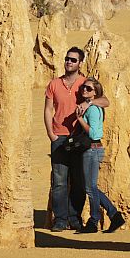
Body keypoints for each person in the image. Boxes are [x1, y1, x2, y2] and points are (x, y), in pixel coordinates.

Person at [44, 47, 109, 232]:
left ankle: (75, 218)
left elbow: (105, 101)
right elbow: (48, 109)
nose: (69, 62)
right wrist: (51, 133)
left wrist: (88, 101)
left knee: (79, 181)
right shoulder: (54, 84)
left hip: (79, 138)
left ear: (80, 63)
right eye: (67, 59)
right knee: (59, 180)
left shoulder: (84, 84)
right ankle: (60, 220)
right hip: (59, 136)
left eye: (73, 60)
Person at [75, 77, 125, 234]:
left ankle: (94, 221)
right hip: (91, 150)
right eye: (84, 87)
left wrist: (79, 119)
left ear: (95, 92)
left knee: (90, 188)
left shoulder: (93, 109)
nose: (85, 90)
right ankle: (114, 216)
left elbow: (95, 133)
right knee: (91, 187)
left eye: (89, 89)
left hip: (92, 149)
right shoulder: (91, 106)